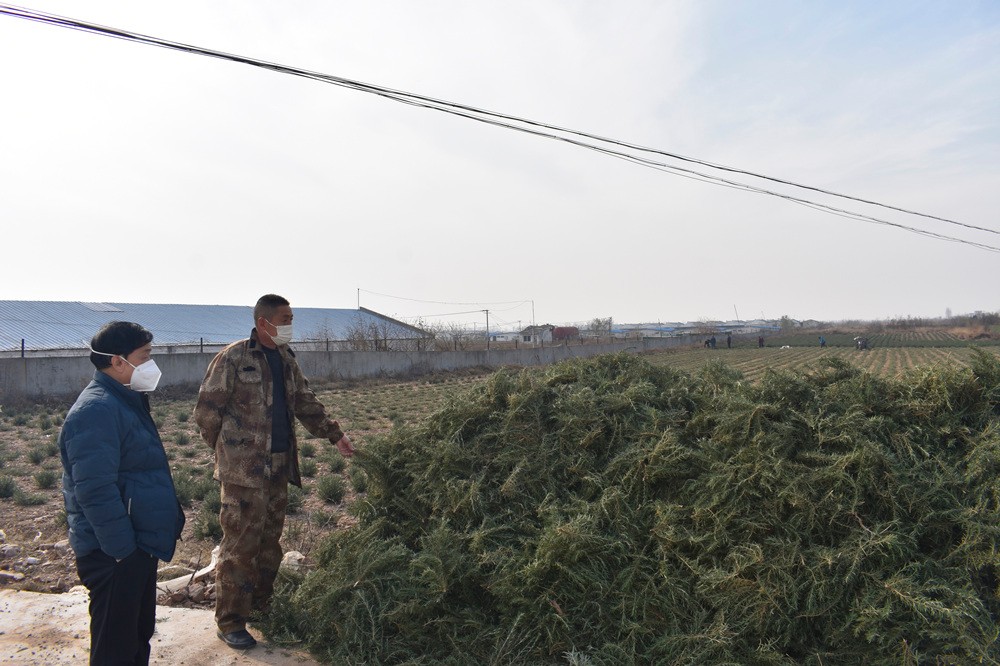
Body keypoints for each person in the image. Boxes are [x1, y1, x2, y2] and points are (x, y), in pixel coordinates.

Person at [194, 294, 356, 650]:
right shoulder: (234, 357)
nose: (290, 324)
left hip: (279, 467)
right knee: (240, 546)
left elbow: (304, 402)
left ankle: (262, 608)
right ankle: (231, 621)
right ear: (264, 322)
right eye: (285, 318)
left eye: (291, 317)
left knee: (269, 545)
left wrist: (335, 434)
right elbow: (208, 412)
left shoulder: (284, 359)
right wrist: (229, 456)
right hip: (244, 475)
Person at [59, 321, 185, 665]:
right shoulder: (96, 410)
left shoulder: (125, 399)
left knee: (135, 637)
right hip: (114, 553)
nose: (151, 364)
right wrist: (122, 552)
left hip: (134, 546)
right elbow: (94, 490)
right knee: (115, 648)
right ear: (118, 361)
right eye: (144, 356)